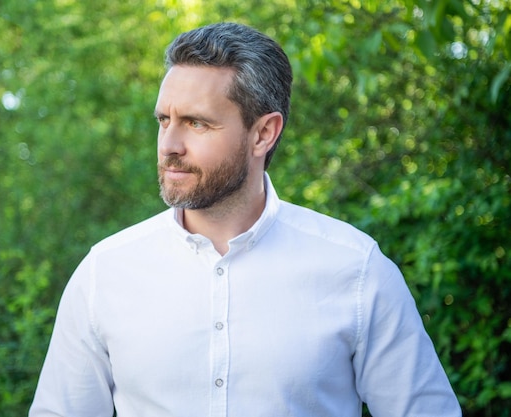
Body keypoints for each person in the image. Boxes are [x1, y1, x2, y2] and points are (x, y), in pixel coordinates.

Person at [29, 22, 461, 417]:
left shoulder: (356, 270)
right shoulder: (106, 273)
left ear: (263, 133)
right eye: (165, 121)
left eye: (196, 123)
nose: (170, 145)